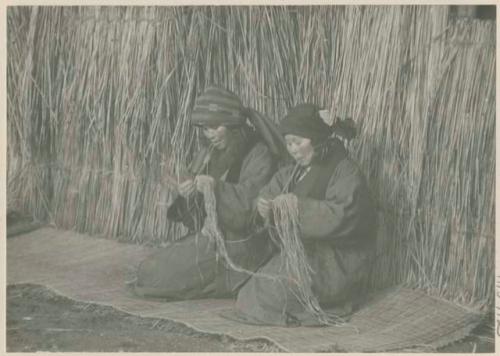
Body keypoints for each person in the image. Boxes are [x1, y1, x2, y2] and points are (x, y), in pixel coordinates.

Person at [133, 86, 285, 300]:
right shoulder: (211, 152)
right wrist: (188, 193)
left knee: (155, 275)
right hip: (213, 237)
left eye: (215, 126)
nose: (209, 134)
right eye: (205, 128)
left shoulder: (260, 155)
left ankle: (234, 279)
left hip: (243, 247)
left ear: (233, 125)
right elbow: (195, 219)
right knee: (148, 268)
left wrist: (214, 187)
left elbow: (249, 210)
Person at [233, 103, 377, 326]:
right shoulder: (296, 171)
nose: (293, 149)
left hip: (337, 263)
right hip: (306, 256)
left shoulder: (345, 172)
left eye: (298, 142)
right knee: (253, 290)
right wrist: (263, 206)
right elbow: (271, 190)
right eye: (289, 143)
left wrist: (297, 207)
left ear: (317, 139)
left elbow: (343, 215)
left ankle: (322, 307)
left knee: (268, 293)